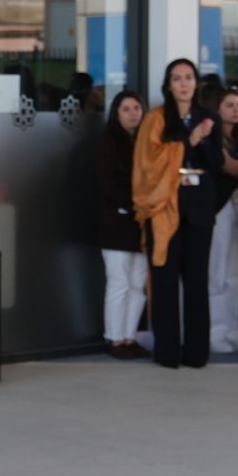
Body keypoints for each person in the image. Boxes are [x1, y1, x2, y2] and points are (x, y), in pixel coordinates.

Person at [135, 58, 222, 369]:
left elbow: (217, 164)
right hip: (163, 207)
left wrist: (202, 141)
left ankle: (197, 353)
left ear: (196, 83)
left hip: (198, 206)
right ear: (168, 85)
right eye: (177, 78)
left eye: (188, 77)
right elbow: (148, 163)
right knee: (164, 281)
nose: (183, 84)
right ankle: (167, 351)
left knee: (197, 282)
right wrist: (189, 140)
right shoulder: (156, 119)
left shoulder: (209, 117)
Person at [97, 89, 150, 360]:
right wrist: (134, 202)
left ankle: (129, 336)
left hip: (140, 223)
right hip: (116, 224)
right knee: (119, 282)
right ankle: (115, 338)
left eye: (136, 108)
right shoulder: (108, 141)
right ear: (116, 113)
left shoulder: (146, 141)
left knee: (138, 282)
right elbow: (106, 183)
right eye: (126, 109)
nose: (132, 114)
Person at [203, 83, 238, 355]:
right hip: (218, 208)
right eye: (229, 105)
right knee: (217, 272)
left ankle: (233, 330)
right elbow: (230, 167)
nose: (236, 110)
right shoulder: (211, 136)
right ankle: (215, 331)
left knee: (237, 274)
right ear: (217, 108)